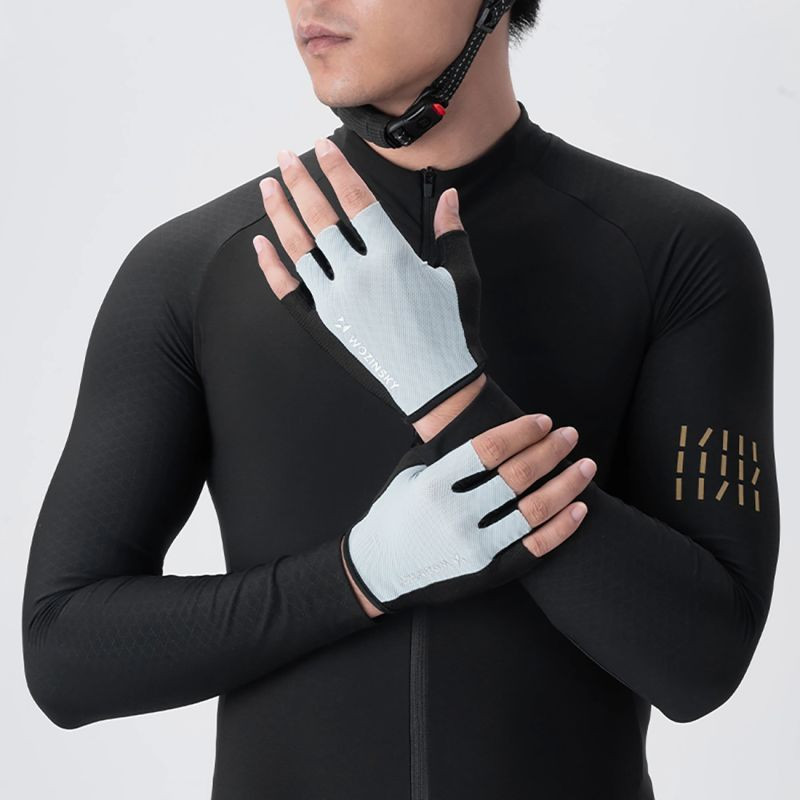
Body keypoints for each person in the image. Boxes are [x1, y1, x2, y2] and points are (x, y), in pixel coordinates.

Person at [22, 1, 779, 798]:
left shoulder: (678, 254)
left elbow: (701, 662)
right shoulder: (192, 269)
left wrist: (448, 394)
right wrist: (356, 577)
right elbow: (65, 654)